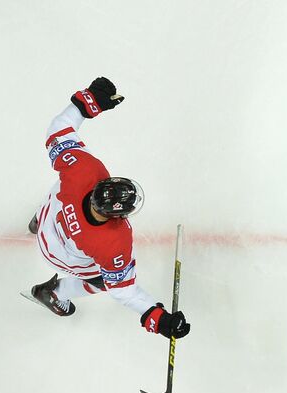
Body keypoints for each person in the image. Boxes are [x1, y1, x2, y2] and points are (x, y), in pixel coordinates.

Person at [24, 77, 189, 339]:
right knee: (103, 279)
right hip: (58, 254)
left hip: (48, 220)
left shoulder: (85, 170)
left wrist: (86, 103)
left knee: (62, 186)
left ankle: (36, 222)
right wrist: (157, 319)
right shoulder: (114, 242)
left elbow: (58, 130)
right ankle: (54, 292)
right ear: (117, 215)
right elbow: (122, 290)